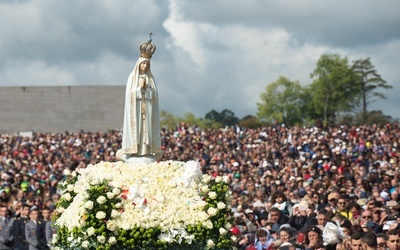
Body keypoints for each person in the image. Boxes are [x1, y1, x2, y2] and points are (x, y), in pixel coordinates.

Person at [117, 34, 162, 162]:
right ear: (139, 64)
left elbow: (154, 95)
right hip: (137, 110)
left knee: (146, 130)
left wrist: (147, 90)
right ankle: (134, 149)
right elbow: (129, 94)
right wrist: (139, 89)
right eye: (143, 64)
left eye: (147, 64)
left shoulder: (150, 78)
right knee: (137, 130)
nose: (145, 67)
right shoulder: (133, 77)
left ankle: (146, 150)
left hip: (146, 110)